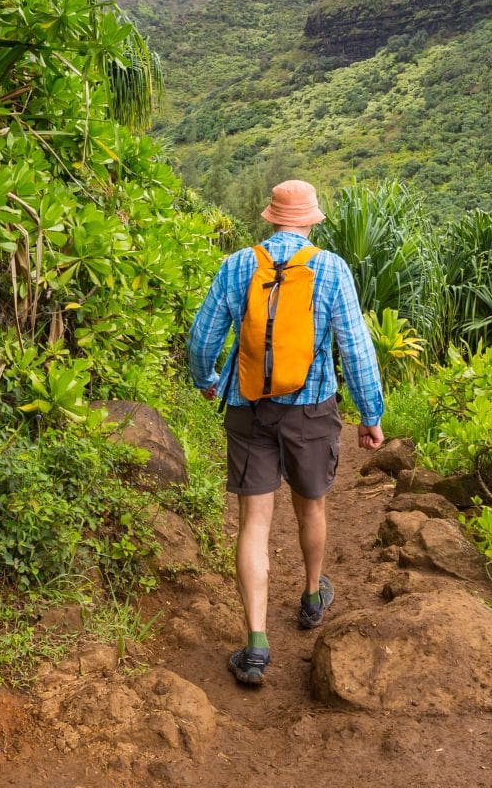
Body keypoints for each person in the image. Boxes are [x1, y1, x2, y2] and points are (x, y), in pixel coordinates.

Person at [187, 179, 385, 687]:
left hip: (248, 406)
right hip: (311, 409)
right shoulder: (331, 268)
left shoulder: (236, 265)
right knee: (311, 505)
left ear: (272, 217)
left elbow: (203, 337)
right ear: (312, 219)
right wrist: (370, 414)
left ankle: (255, 645)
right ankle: (312, 595)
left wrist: (207, 379)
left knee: (253, 522)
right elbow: (356, 347)